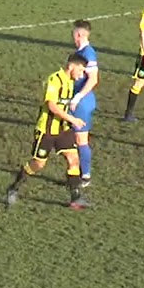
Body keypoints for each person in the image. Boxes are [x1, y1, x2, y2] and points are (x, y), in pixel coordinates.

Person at [6, 53, 90, 210]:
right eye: (80, 70)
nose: (81, 75)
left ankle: (76, 197)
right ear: (71, 66)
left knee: (73, 159)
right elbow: (51, 105)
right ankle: (14, 188)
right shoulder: (54, 80)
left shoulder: (70, 82)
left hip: (63, 130)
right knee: (38, 164)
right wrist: (72, 119)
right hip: (46, 131)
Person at [68, 19, 98, 185]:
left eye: (74, 33)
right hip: (78, 102)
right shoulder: (81, 52)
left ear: (79, 34)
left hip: (82, 104)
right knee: (72, 139)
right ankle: (75, 173)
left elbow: (93, 79)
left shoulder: (88, 54)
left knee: (81, 140)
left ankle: (85, 176)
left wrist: (78, 97)